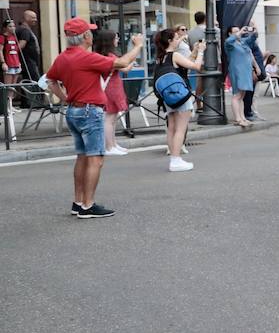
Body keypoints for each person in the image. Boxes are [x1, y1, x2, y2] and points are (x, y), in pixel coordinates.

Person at [45, 18, 143, 218]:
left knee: (82, 157)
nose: (92, 35)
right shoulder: (86, 57)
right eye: (90, 32)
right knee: (95, 159)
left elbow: (51, 80)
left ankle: (78, 202)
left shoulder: (63, 57)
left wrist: (66, 98)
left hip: (74, 110)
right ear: (86, 37)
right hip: (90, 111)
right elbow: (123, 63)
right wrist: (138, 46)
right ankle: (88, 206)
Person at [154, 27, 204, 172]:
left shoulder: (160, 58)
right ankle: (175, 160)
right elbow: (196, 66)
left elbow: (182, 66)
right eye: (176, 38)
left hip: (168, 97)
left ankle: (174, 158)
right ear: (170, 41)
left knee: (171, 129)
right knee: (180, 130)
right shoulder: (174, 55)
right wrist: (200, 52)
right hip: (181, 95)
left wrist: (193, 51)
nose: (178, 40)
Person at [92, 29, 132, 156]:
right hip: (112, 88)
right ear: (109, 41)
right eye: (116, 38)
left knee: (112, 118)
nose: (117, 40)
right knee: (110, 119)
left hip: (109, 87)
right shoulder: (111, 56)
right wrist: (131, 61)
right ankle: (109, 146)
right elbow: (125, 69)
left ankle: (113, 144)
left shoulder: (100, 55)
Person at [223, 26, 256, 128]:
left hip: (245, 71)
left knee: (242, 95)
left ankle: (242, 117)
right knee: (237, 95)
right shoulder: (230, 44)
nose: (239, 33)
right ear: (230, 33)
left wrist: (254, 30)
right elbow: (228, 41)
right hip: (237, 70)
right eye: (235, 31)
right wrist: (240, 32)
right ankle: (238, 118)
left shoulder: (242, 42)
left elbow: (253, 38)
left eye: (239, 30)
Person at [240, 24, 265, 121]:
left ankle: (250, 112)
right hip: (253, 72)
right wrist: (254, 70)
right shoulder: (246, 40)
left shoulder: (248, 40)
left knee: (252, 94)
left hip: (255, 71)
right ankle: (248, 112)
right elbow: (249, 56)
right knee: (250, 94)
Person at [16, 9, 42, 82]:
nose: (35, 20)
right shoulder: (25, 30)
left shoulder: (24, 29)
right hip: (29, 62)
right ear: (26, 18)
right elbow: (21, 45)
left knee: (28, 80)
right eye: (33, 17)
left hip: (29, 61)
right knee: (34, 81)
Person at [2, 19, 21, 85]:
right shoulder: (3, 37)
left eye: (13, 26)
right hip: (8, 63)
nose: (13, 28)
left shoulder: (14, 37)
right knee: (8, 85)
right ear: (5, 28)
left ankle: (12, 95)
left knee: (14, 85)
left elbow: (16, 50)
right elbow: (0, 50)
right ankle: (7, 96)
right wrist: (3, 62)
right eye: (10, 26)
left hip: (16, 63)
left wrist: (19, 62)